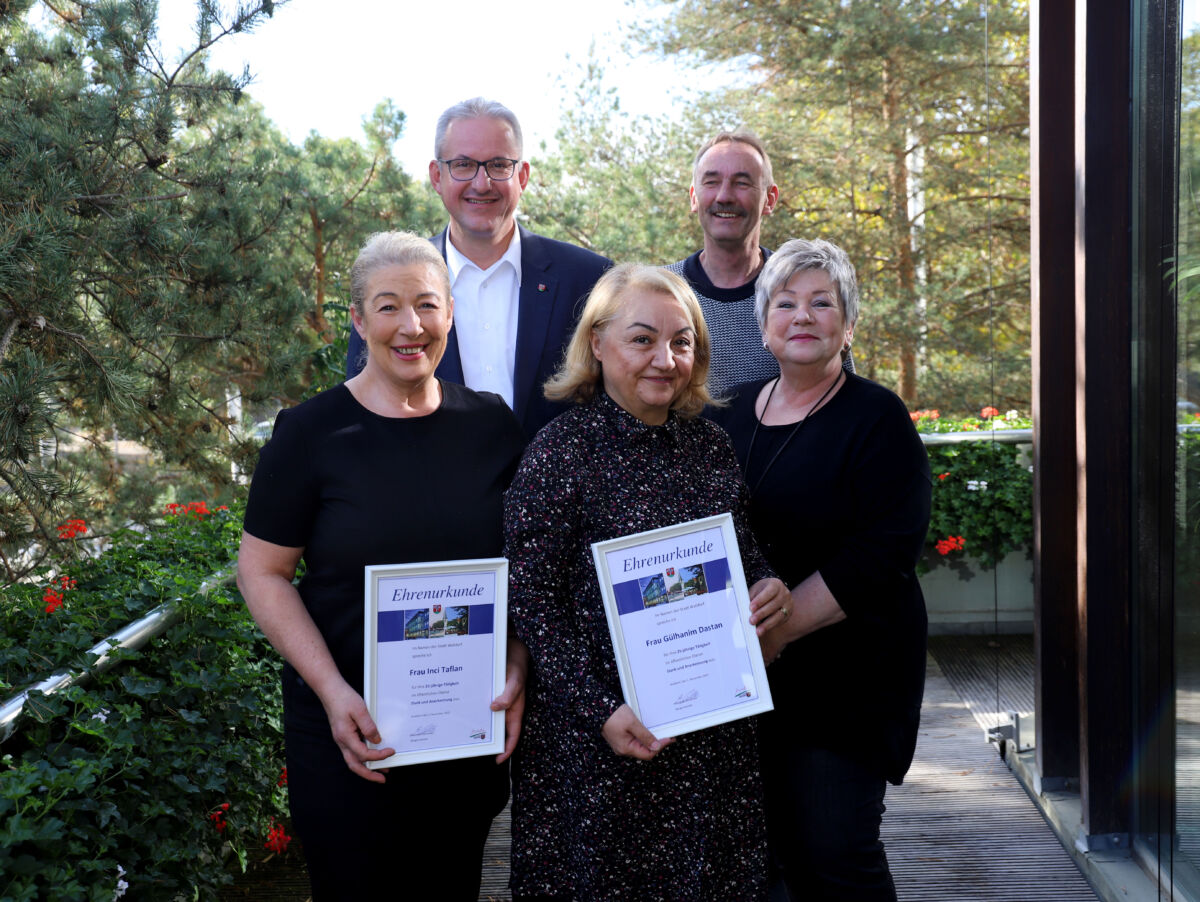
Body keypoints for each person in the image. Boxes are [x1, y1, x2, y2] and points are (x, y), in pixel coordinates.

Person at [238, 231, 529, 900]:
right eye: (389, 306)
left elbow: (520, 570)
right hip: (350, 733)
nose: (411, 326)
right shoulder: (310, 433)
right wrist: (332, 692)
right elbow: (261, 573)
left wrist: (516, 661)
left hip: (461, 733)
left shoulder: (492, 426)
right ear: (359, 320)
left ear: (450, 313)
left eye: (427, 305)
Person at [502, 263, 790, 901]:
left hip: (709, 743)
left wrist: (769, 588)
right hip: (595, 748)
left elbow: (742, 556)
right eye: (641, 339)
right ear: (597, 344)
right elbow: (533, 604)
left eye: (681, 341)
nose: (664, 358)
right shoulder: (558, 454)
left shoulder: (711, 446)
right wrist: (601, 709)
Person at [709, 238, 931, 901]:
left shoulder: (877, 418)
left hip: (845, 681)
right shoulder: (727, 415)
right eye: (786, 303)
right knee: (766, 860)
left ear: (848, 323)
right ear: (764, 322)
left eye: (821, 303)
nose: (803, 316)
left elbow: (882, 553)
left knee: (834, 853)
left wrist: (776, 632)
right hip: (745, 683)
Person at [346, 97, 610, 438]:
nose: (481, 183)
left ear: (523, 176)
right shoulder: (383, 283)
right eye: (463, 164)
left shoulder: (590, 281)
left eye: (499, 165)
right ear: (436, 176)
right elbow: (363, 405)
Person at [667, 129, 853, 396]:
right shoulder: (663, 291)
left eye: (742, 183)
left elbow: (845, 398)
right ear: (694, 197)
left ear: (770, 198)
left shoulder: (809, 289)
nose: (724, 196)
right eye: (711, 182)